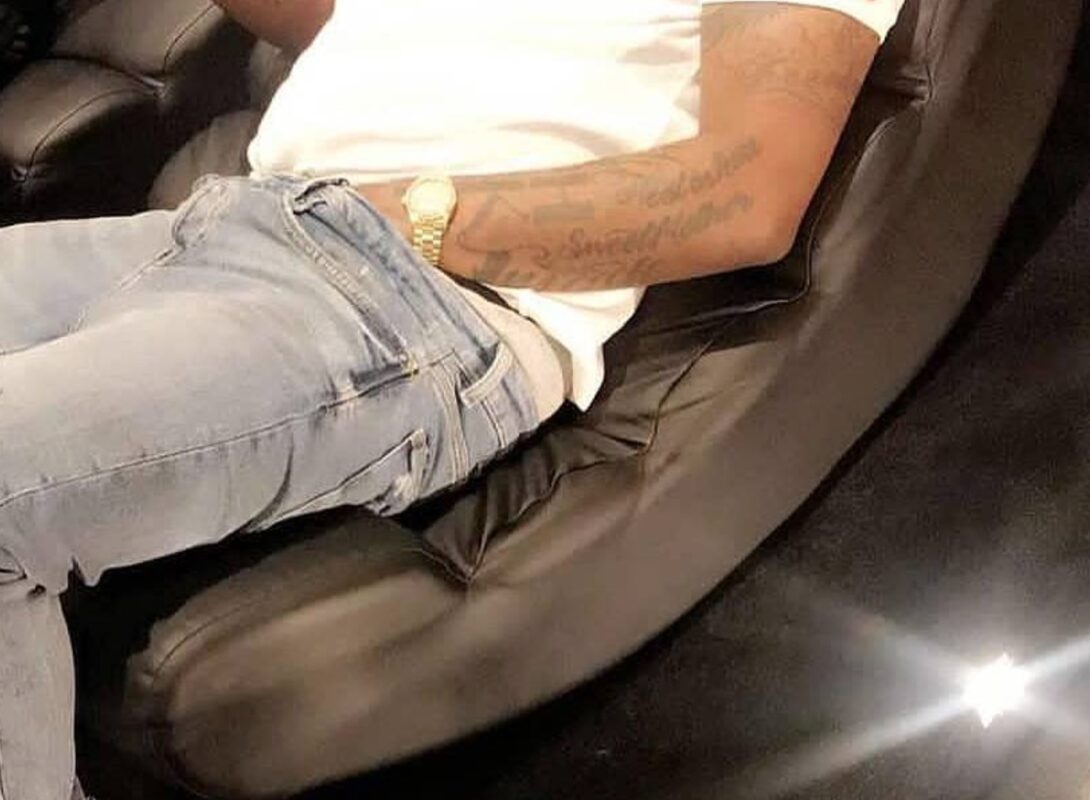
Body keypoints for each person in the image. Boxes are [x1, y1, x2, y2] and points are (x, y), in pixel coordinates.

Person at [0, 0, 906, 797]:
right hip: (222, 222)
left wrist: (412, 214)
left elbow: (743, 196)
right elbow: (341, 26)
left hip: (407, 298)